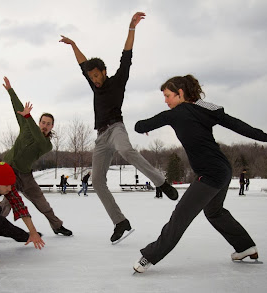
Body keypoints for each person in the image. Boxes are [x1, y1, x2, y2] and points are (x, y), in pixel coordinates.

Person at [132, 75, 267, 273]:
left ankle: (149, 256)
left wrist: (143, 128)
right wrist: (265, 137)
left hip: (210, 174)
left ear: (180, 93)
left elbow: (140, 125)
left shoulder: (175, 113)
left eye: (167, 96)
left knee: (180, 216)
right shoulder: (205, 109)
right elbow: (237, 125)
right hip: (223, 170)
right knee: (214, 212)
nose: (165, 101)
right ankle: (245, 246)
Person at [59, 12, 178, 243]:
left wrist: (131, 29)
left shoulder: (118, 80)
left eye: (96, 75)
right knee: (96, 181)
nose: (94, 79)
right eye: (90, 77)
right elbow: (83, 63)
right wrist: (74, 45)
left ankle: (161, 183)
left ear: (104, 71)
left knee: (125, 151)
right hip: (101, 136)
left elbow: (127, 55)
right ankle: (120, 222)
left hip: (116, 128)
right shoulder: (94, 85)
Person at [0, 77, 72, 237]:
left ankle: (57, 226)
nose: (45, 125)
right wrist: (11, 91)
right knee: (9, 199)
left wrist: (27, 117)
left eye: (48, 124)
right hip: (10, 169)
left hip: (26, 175)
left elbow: (38, 137)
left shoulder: (46, 144)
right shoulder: (26, 125)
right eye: (43, 122)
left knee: (41, 202)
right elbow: (18, 108)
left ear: (52, 127)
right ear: (39, 122)